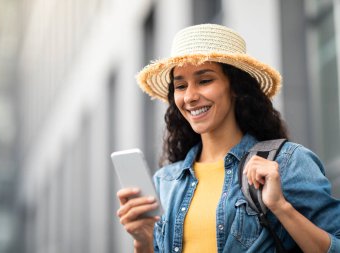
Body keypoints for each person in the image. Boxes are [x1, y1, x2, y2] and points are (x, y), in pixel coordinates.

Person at [116, 24, 340, 253]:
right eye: (181, 86)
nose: (190, 96)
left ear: (235, 86)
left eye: (204, 81)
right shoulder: (166, 182)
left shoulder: (286, 163)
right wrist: (143, 242)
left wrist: (280, 207)